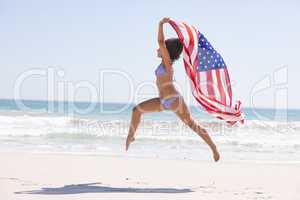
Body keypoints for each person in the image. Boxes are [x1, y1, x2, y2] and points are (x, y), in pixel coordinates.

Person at [125, 17, 220, 162]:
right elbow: (161, 45)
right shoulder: (164, 64)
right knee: (136, 110)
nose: (157, 49)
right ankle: (131, 137)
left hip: (174, 100)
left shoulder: (167, 63)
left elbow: (160, 42)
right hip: (162, 101)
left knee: (192, 125)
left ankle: (213, 147)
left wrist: (161, 24)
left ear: (166, 51)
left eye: (161, 49)